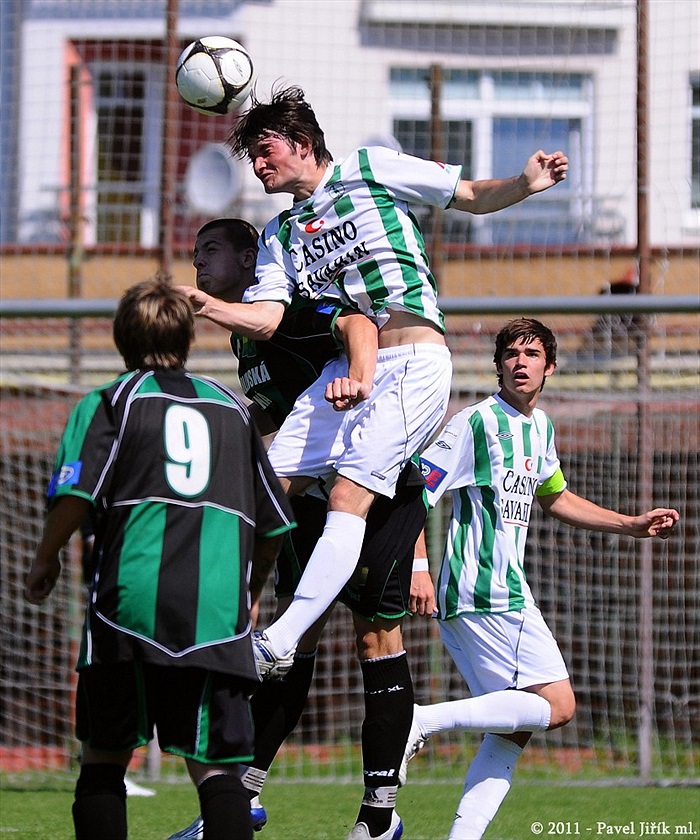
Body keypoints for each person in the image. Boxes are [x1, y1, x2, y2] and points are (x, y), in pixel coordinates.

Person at [180, 86, 571, 685]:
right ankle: (228, 620)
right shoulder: (280, 235)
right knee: (265, 489)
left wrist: (524, 184)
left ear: (303, 143)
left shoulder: (369, 167)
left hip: (414, 361)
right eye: (252, 156)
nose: (257, 165)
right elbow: (268, 319)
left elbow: (466, 195)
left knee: (346, 498)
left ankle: (280, 641)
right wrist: (206, 305)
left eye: (265, 150)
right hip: (347, 370)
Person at [170, 218, 434, 840]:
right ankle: (239, 802)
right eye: (194, 254)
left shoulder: (283, 307)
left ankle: (378, 817)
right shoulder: (245, 342)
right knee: (290, 647)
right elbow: (276, 411)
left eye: (210, 251)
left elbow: (358, 323)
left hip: (382, 495)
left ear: (249, 257)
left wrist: (420, 553)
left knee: (376, 641)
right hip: (312, 501)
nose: (198, 265)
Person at [24, 278, 295, 840]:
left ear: (122, 337)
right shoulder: (232, 411)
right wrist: (247, 594)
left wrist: (44, 558)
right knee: (218, 769)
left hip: (129, 603)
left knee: (104, 757)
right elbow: (273, 525)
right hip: (215, 608)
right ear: (189, 336)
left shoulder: (109, 402)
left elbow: (75, 495)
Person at [399, 317, 680, 840]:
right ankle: (421, 720)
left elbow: (555, 497)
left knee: (516, 729)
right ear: (498, 364)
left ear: (549, 366)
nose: (519, 362)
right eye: (510, 353)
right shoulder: (475, 423)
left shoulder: (540, 427)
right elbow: (415, 494)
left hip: (496, 592)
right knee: (559, 705)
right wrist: (418, 567)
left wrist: (631, 524)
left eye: (531, 354)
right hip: (483, 588)